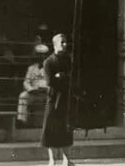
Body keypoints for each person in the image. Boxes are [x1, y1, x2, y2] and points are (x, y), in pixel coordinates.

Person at [41, 33, 74, 166]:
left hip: (65, 98)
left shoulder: (68, 60)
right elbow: (50, 81)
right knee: (50, 128)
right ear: (55, 45)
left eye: (65, 42)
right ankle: (52, 160)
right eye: (62, 42)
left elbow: (72, 77)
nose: (65, 45)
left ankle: (67, 159)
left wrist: (61, 76)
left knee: (65, 128)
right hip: (53, 99)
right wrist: (62, 78)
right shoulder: (48, 62)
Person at [16, 44, 49, 127]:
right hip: (34, 93)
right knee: (23, 95)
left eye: (43, 55)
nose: (41, 57)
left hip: (46, 94)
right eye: (39, 55)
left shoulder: (50, 68)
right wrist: (31, 89)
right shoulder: (31, 68)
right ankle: (22, 120)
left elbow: (53, 82)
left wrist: (46, 89)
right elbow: (26, 82)